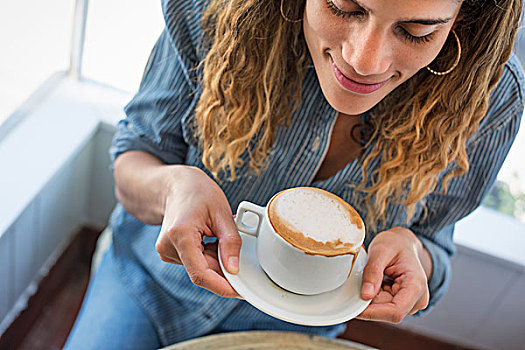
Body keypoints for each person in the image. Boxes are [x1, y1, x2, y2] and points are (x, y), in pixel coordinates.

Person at [65, 0, 524, 348]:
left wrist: (414, 255)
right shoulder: (213, 9)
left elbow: (434, 246)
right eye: (342, 7)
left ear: (465, 21)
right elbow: (134, 157)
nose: (364, 61)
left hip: (290, 328)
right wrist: (172, 187)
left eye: (416, 32)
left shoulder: (487, 100)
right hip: (147, 283)